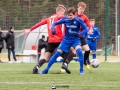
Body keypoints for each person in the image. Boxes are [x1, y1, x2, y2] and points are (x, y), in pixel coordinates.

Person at [39, 7, 88, 75]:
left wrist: (80, 34)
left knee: (79, 51)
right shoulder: (65, 19)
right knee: (56, 54)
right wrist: (53, 28)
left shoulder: (79, 20)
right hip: (66, 40)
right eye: (68, 15)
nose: (69, 17)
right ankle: (46, 69)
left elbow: (86, 29)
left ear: (74, 15)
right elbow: (54, 23)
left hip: (75, 40)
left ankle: (81, 70)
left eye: (70, 15)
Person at [27, 4, 66, 74]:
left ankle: (37, 67)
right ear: (59, 12)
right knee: (68, 52)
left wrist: (30, 29)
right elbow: (63, 17)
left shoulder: (48, 19)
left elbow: (39, 24)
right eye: (63, 12)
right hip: (59, 40)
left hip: (51, 41)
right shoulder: (59, 16)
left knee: (46, 57)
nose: (63, 14)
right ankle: (63, 68)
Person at [61, 2, 92, 71]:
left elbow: (89, 26)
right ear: (78, 8)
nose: (82, 10)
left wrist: (90, 29)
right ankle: (64, 65)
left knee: (87, 50)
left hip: (80, 36)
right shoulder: (73, 15)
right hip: (72, 37)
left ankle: (84, 62)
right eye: (81, 8)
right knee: (72, 51)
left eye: (83, 9)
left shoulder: (85, 17)